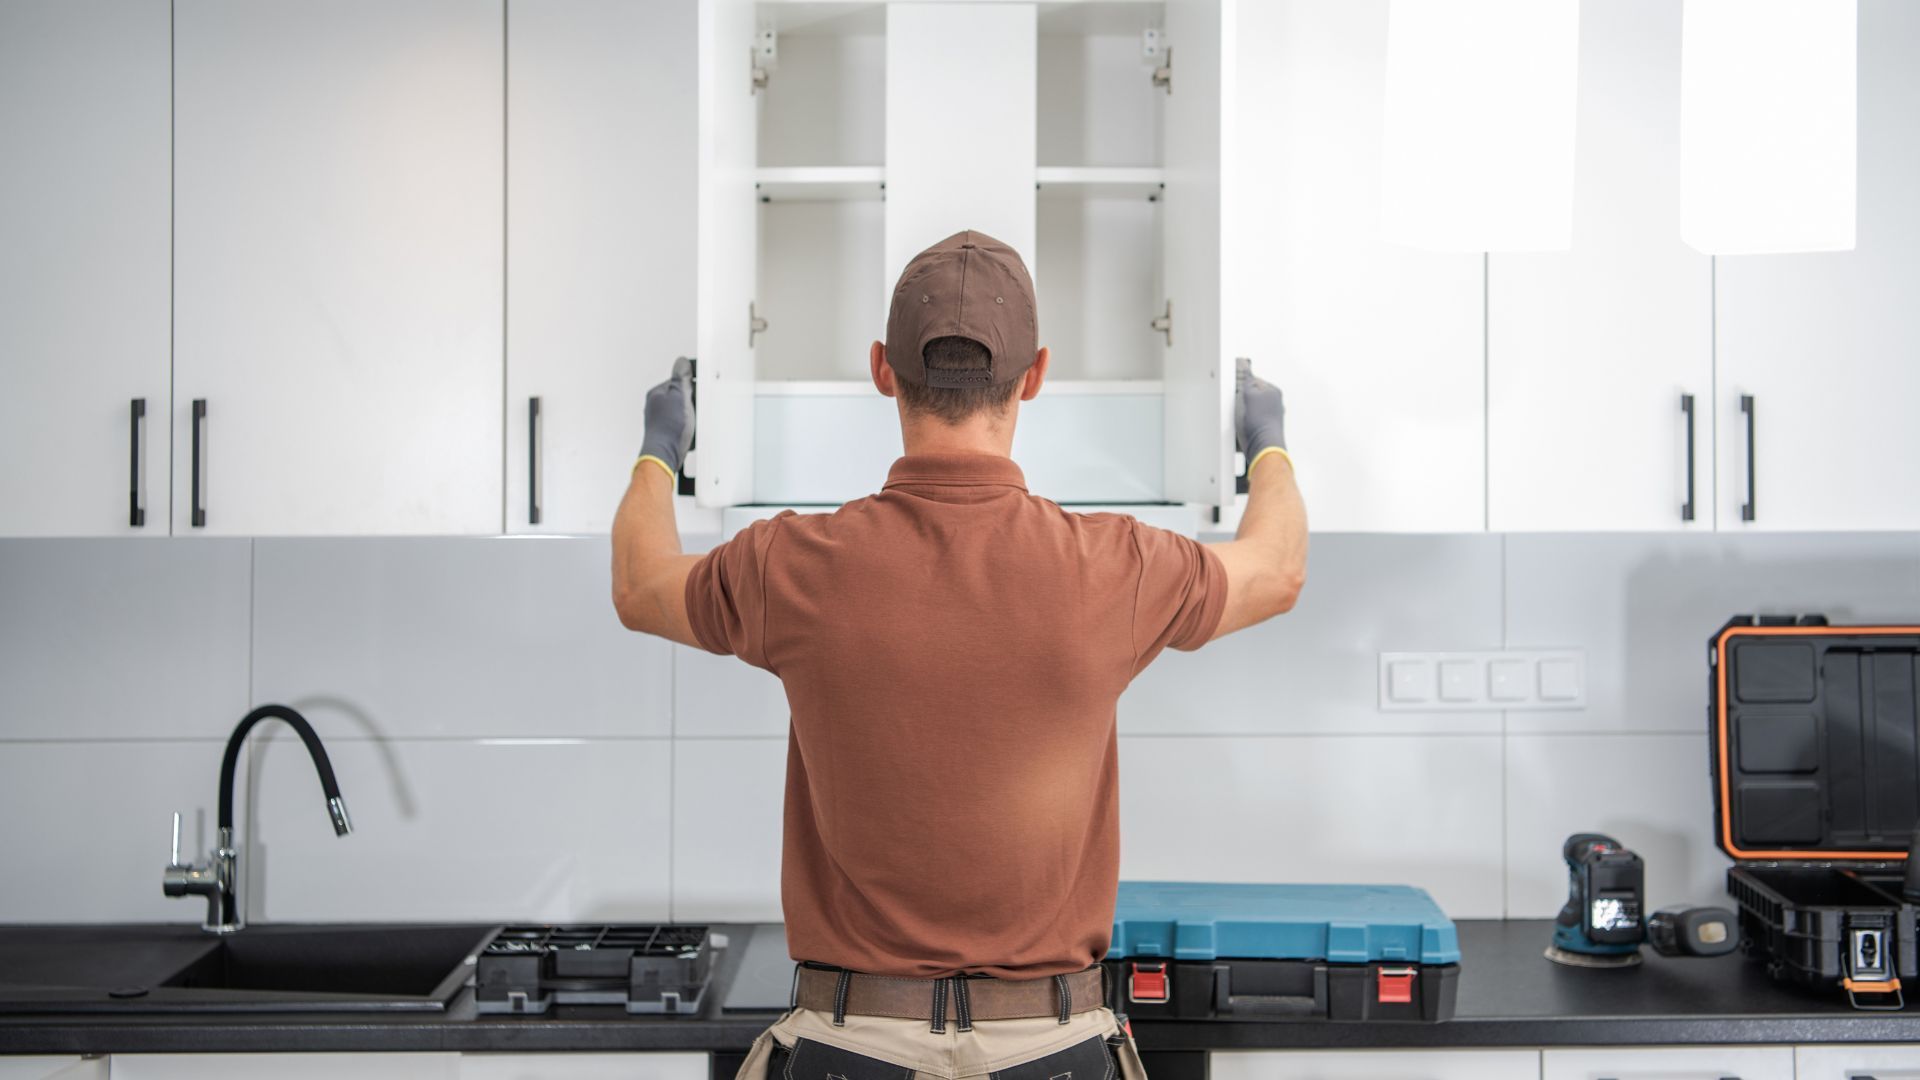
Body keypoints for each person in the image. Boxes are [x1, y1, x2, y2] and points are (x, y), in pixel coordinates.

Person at [612, 230, 1307, 1080]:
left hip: (850, 1045)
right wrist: (1264, 441)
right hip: (1052, 1048)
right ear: (1036, 374)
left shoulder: (790, 565)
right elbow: (1276, 572)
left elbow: (640, 586)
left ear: (881, 368)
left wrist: (661, 448)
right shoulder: (1115, 566)